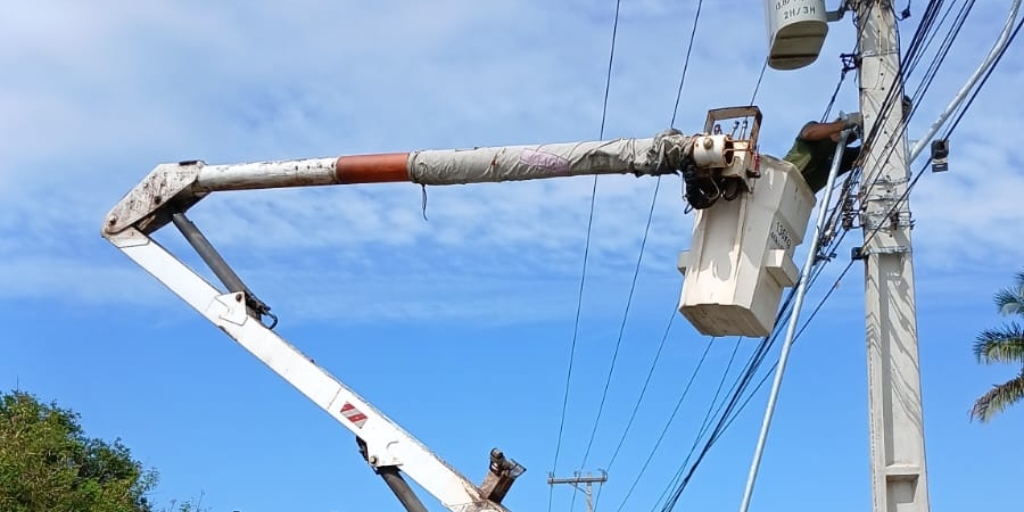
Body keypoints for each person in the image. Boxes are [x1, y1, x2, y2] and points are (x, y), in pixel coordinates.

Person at [782, 112, 863, 193]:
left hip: (796, 199)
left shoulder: (839, 156)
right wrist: (845, 123)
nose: (848, 137)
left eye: (854, 136)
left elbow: (862, 153)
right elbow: (809, 133)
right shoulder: (813, 136)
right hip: (780, 181)